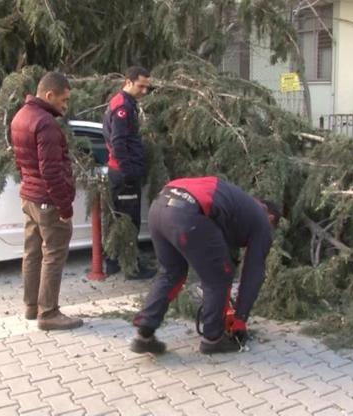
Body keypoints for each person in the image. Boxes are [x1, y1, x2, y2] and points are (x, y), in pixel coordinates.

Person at [129, 177, 280, 355]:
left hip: (160, 206)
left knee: (171, 273)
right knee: (218, 279)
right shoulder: (261, 221)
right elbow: (253, 273)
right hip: (187, 213)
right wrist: (240, 319)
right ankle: (213, 340)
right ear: (270, 217)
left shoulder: (237, 202)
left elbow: (220, 244)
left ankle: (144, 334)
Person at [10, 72, 83, 330]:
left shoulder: (20, 116)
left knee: (32, 252)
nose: (65, 106)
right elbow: (51, 172)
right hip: (47, 200)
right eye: (63, 100)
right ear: (49, 95)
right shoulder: (46, 124)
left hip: (30, 196)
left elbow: (22, 162)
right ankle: (49, 313)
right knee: (53, 254)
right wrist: (64, 207)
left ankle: (32, 306)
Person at [102, 66, 156, 280]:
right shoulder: (123, 106)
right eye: (141, 86)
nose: (144, 91)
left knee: (119, 219)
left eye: (147, 87)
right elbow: (118, 142)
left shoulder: (122, 102)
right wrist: (128, 172)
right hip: (124, 173)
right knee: (129, 221)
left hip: (119, 170)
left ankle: (113, 261)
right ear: (128, 82)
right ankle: (131, 267)